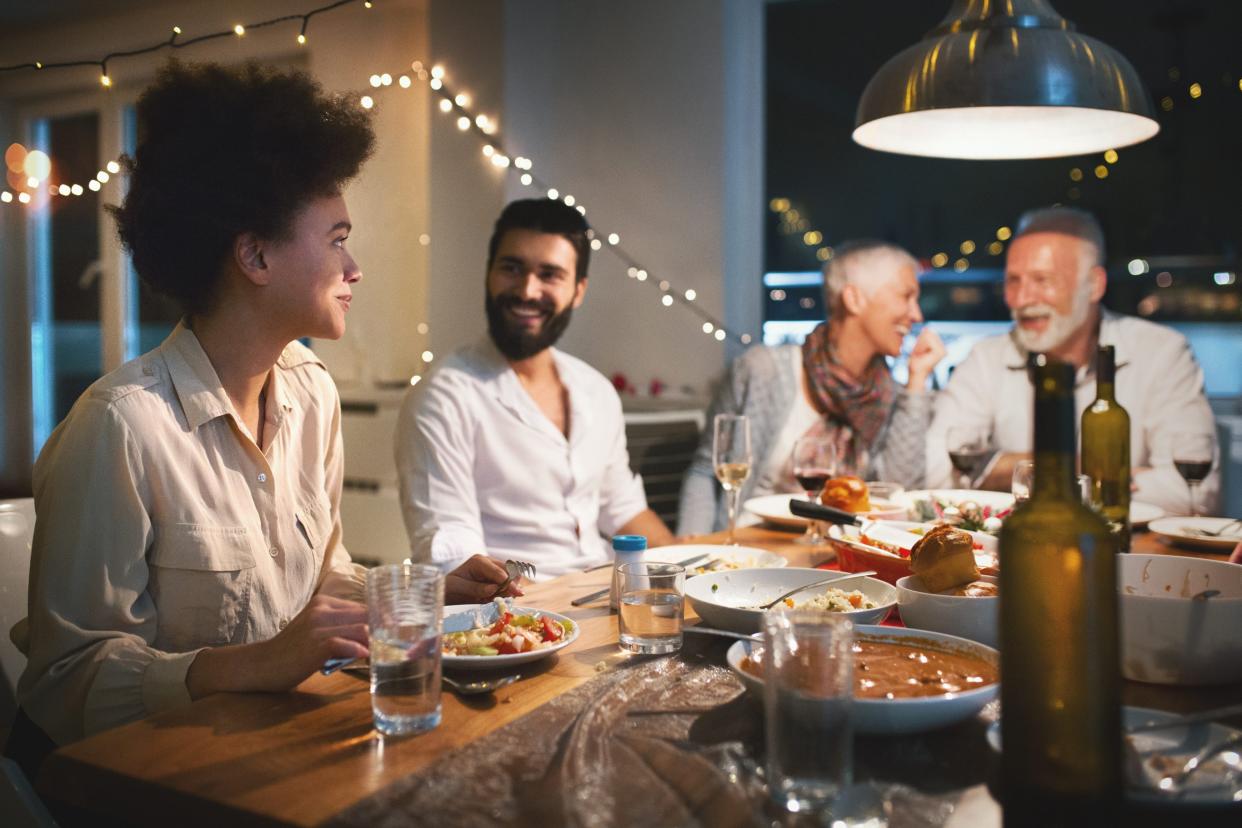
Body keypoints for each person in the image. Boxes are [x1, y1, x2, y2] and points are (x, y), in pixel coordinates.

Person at [7, 63, 515, 763]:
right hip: (151, 784)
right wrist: (250, 665)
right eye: (336, 238)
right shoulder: (121, 427)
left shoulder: (311, 393)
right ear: (253, 254)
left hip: (277, 749)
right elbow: (62, 685)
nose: (354, 266)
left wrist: (415, 591)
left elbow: (318, 577)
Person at [395, 199, 675, 579]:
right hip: (517, 616)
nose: (527, 290)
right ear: (489, 275)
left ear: (578, 290)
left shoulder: (596, 390)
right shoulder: (444, 397)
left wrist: (688, 569)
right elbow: (452, 557)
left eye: (550, 274)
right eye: (512, 268)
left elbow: (624, 510)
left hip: (607, 598)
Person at [925, 207, 1219, 515]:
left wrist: (1006, 469)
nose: (1022, 298)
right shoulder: (986, 357)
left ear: (1094, 285)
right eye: (1012, 281)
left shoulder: (1162, 352)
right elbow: (936, 472)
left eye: (1042, 280)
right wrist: (1101, 472)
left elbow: (1194, 493)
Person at [678, 240, 946, 535]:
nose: (917, 315)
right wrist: (693, 553)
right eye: (906, 296)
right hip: (750, 550)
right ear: (854, 299)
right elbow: (705, 471)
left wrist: (917, 379)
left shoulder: (888, 395)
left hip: (832, 558)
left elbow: (900, 494)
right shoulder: (764, 370)